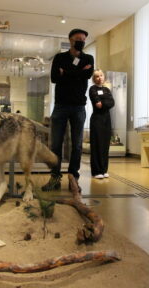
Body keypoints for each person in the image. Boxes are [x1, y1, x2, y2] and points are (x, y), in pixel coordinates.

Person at [42, 29, 94, 191]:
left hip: (79, 106)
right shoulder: (60, 57)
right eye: (78, 38)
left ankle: (73, 178)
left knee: (77, 145)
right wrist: (78, 72)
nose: (81, 41)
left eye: (83, 39)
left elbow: (86, 76)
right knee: (56, 144)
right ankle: (55, 177)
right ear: (70, 40)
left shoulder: (88, 58)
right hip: (61, 106)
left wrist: (67, 73)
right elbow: (54, 78)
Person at [89, 70, 115, 179]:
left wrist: (103, 102)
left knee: (105, 145)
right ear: (93, 79)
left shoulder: (107, 89)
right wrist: (105, 102)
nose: (99, 78)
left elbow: (112, 103)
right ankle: (96, 171)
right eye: (97, 76)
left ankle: (104, 170)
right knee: (97, 145)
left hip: (107, 120)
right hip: (97, 120)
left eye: (101, 75)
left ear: (103, 77)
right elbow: (97, 104)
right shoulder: (92, 89)